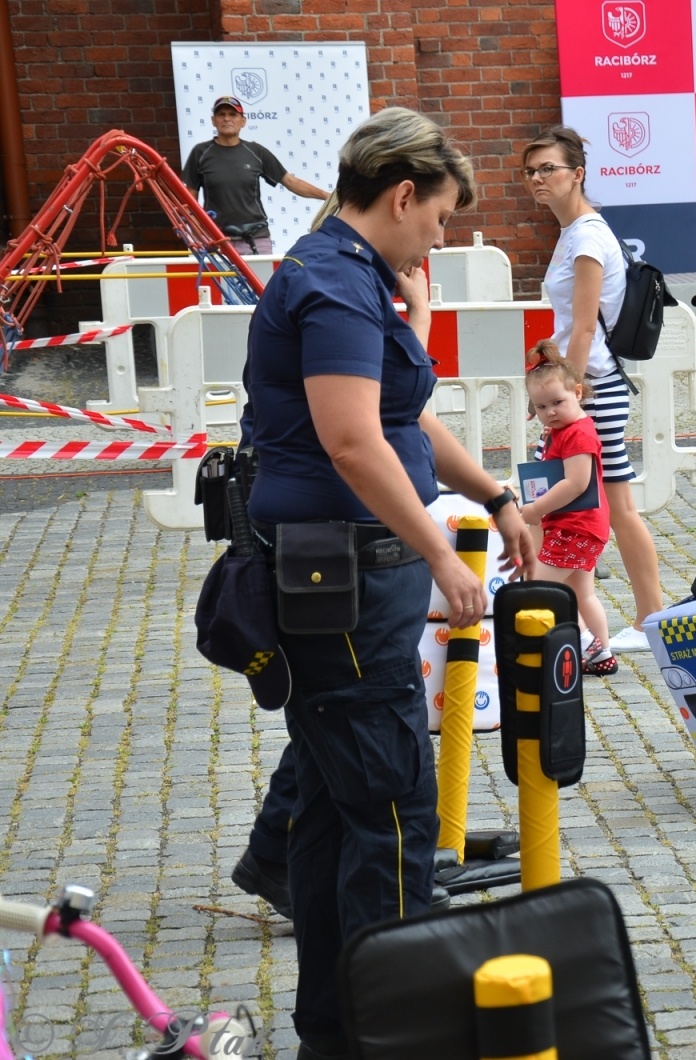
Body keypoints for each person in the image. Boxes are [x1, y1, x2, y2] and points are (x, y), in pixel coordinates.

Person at [240, 106, 533, 1060]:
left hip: (355, 572)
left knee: (336, 808)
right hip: (343, 575)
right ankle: (403, 1037)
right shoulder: (332, 282)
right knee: (398, 809)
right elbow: (352, 442)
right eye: (440, 217)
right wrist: (445, 555)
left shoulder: (359, 276)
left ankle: (336, 1030)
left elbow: (403, 421)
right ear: (402, 195)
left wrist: (492, 493)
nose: (440, 236)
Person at [519, 125, 663, 653]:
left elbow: (583, 326)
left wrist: (568, 396)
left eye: (549, 168)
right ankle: (633, 616)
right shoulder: (575, 232)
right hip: (585, 387)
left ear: (577, 173)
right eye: (531, 171)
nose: (538, 178)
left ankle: (648, 616)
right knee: (602, 503)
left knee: (608, 504)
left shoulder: (586, 235)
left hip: (591, 390)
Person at [524, 351, 616, 675]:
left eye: (556, 402)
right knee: (582, 594)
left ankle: (588, 644)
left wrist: (535, 509)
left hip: (574, 526)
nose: (550, 412)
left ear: (577, 392)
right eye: (541, 406)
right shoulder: (565, 430)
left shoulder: (577, 433)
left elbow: (577, 483)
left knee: (539, 588)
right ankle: (602, 654)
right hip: (579, 525)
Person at [183, 95, 330, 256]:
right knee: (218, 283)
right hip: (217, 241)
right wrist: (200, 234)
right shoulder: (201, 153)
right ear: (213, 120)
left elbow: (290, 181)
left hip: (256, 239)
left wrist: (327, 196)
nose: (227, 119)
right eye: (221, 114)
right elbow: (190, 200)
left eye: (233, 115)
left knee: (261, 282)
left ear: (243, 121)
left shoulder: (255, 152)